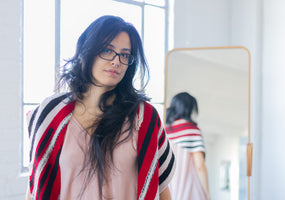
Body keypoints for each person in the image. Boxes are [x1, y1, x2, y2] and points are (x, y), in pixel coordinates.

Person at [25, 15, 175, 200]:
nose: (116, 61)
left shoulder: (144, 117)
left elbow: (161, 189)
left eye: (125, 55)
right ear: (86, 51)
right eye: (107, 50)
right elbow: (35, 187)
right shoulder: (50, 114)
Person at [165, 92, 210, 200]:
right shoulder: (191, 130)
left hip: (168, 190)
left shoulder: (164, 130)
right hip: (190, 190)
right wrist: (208, 195)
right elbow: (200, 166)